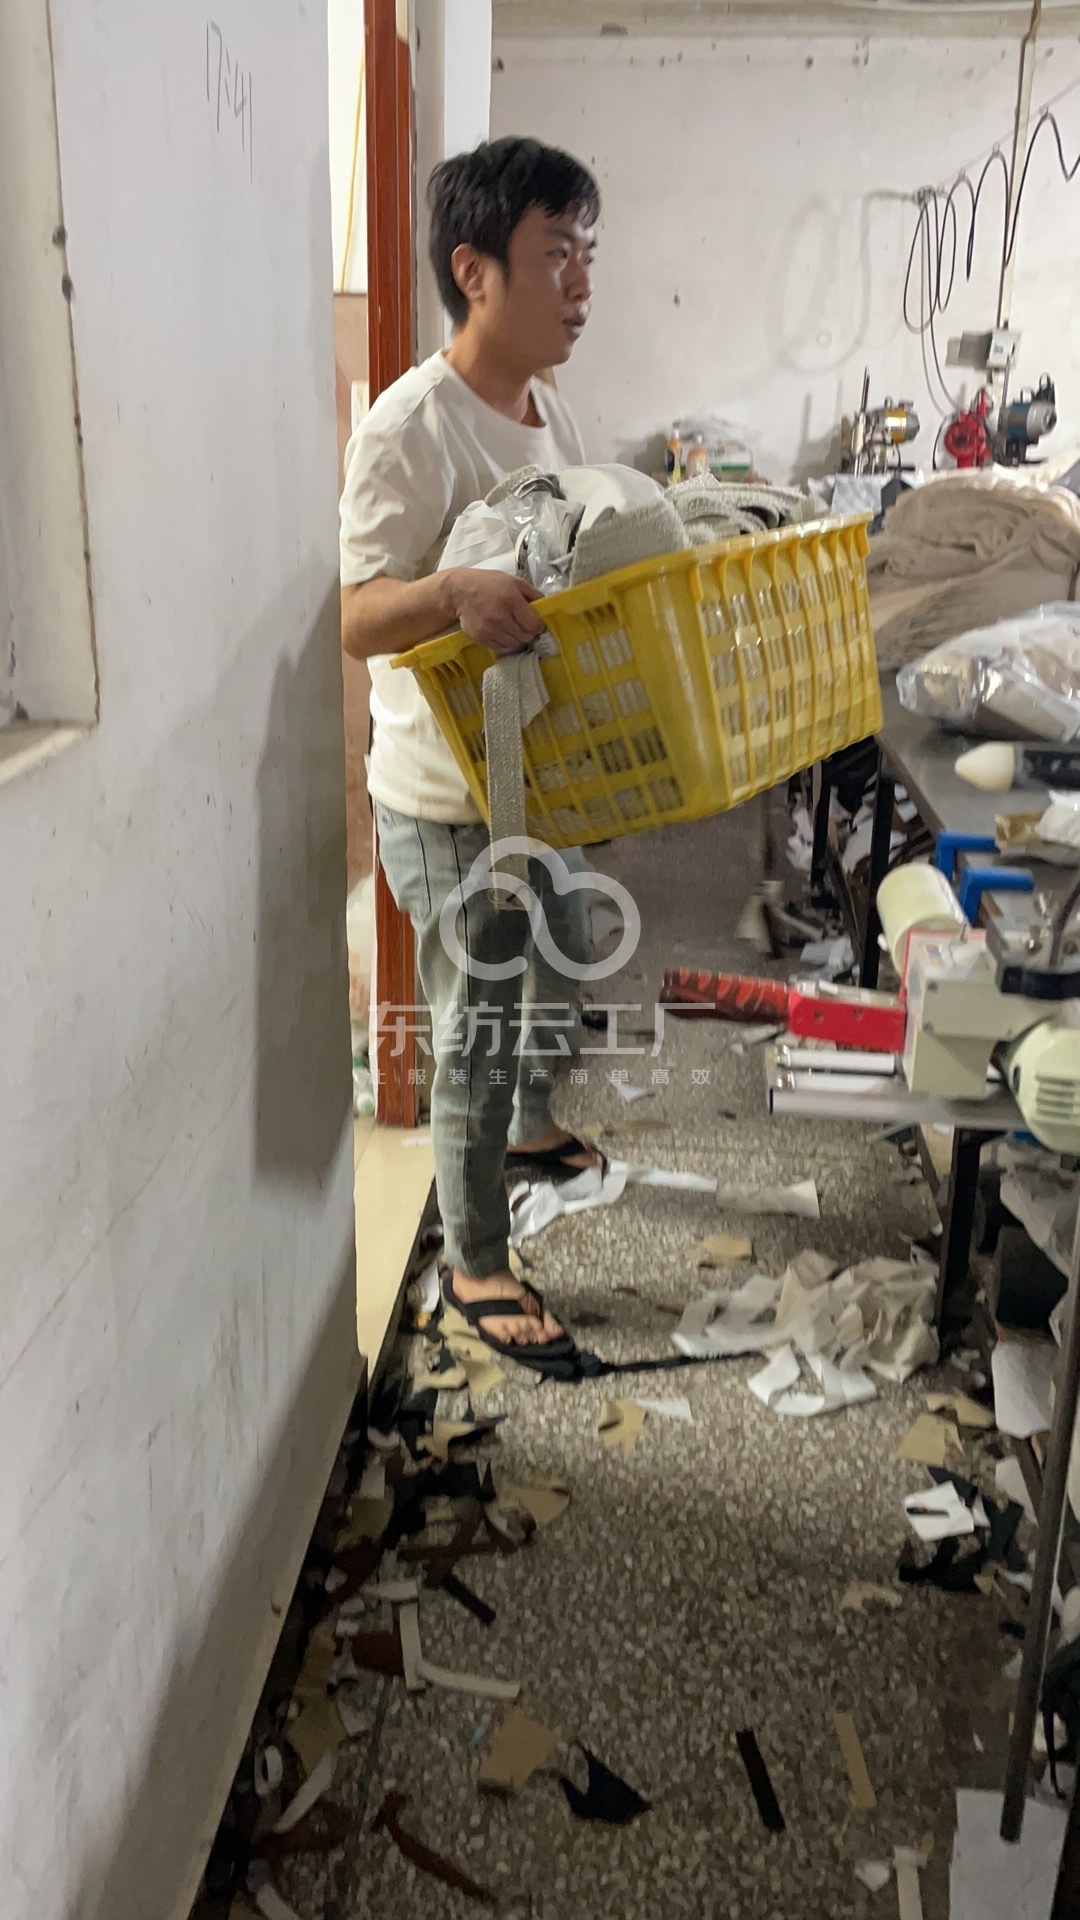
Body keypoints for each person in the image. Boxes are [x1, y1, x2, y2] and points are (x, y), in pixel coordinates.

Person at [339, 136, 602, 1364]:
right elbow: (356, 616)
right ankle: (475, 1266)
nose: (581, 283)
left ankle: (528, 1126)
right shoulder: (412, 426)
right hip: (447, 797)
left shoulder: (548, 410)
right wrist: (451, 592)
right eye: (556, 254)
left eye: (587, 254)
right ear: (475, 270)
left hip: (535, 775)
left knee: (567, 952)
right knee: (476, 1032)